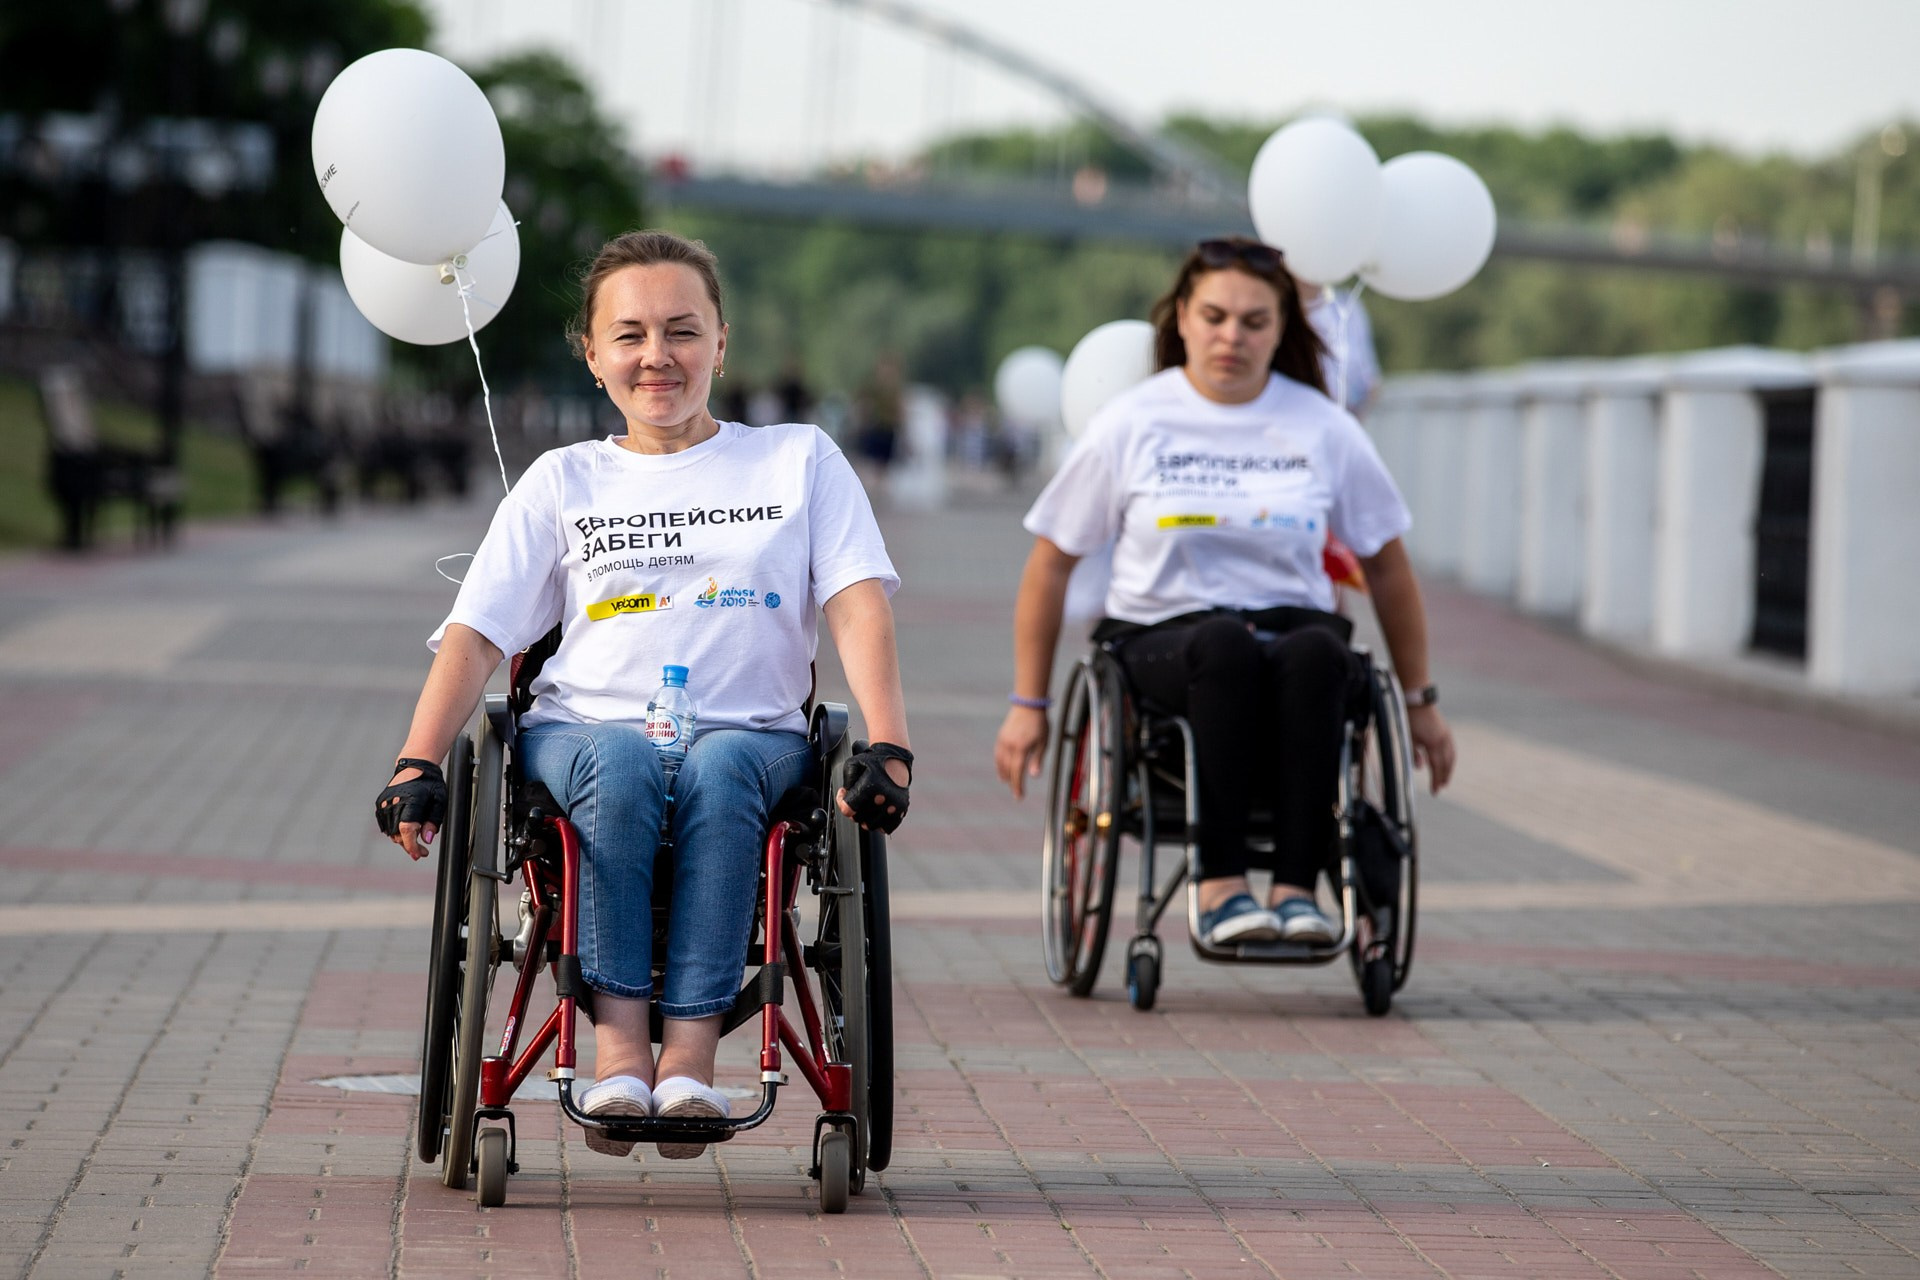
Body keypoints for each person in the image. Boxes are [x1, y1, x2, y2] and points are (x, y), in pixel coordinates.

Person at [374, 230, 913, 1159]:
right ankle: (619, 1053)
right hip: (587, 732)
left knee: (724, 763)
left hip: (755, 736)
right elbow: (478, 634)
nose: (656, 356)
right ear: (592, 355)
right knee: (622, 758)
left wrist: (889, 745)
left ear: (721, 343)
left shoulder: (799, 460)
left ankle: (689, 1068)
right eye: (629, 335)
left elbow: (857, 604)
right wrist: (417, 759)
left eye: (680, 330)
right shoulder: (563, 481)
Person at [993, 236, 1455, 949]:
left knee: (1318, 655)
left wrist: (1422, 703)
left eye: (1254, 322)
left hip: (1293, 635)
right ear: (1181, 318)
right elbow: (1050, 563)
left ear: (1281, 329)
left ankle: (1299, 893)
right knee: (1224, 646)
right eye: (1213, 316)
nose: (1230, 337)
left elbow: (1388, 567)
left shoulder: (1322, 426)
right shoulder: (1132, 421)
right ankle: (1220, 886)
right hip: (1160, 641)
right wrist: (1030, 705)